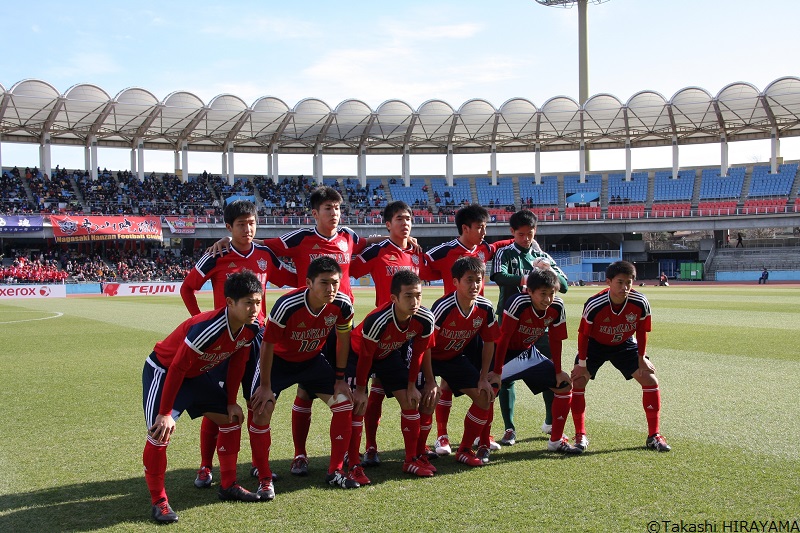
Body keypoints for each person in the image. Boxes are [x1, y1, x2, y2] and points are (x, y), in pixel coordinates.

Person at [180, 200, 296, 488]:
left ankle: (259, 466)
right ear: (229, 227)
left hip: (257, 340)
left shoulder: (265, 255)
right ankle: (206, 467)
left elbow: (291, 277)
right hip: (224, 342)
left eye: (252, 223)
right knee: (218, 406)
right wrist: (202, 321)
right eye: (241, 224)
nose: (248, 229)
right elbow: (187, 287)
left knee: (258, 403)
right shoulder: (215, 256)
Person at [142, 271, 264, 524]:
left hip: (197, 375)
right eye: (248, 303)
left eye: (258, 302)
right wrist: (165, 413)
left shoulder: (252, 328)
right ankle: (159, 501)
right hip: (164, 371)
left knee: (231, 419)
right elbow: (176, 367)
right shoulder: (207, 328)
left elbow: (238, 363)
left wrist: (231, 401)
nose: (255, 309)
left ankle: (228, 484)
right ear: (230, 303)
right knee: (158, 433)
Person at [248, 257, 359, 498]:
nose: (330, 289)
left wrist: (340, 378)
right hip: (279, 362)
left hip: (311, 360)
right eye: (324, 283)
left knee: (343, 402)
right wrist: (265, 386)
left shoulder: (342, 305)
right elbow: (266, 345)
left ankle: (335, 471)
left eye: (335, 283)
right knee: (261, 408)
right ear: (309, 282)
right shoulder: (288, 304)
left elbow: (343, 341)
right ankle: (264, 477)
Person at [349, 201, 434, 466]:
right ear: (388, 224)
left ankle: (416, 450)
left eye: (408, 218)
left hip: (407, 335)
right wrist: (367, 241)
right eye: (399, 219)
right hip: (378, 331)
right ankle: (370, 447)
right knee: (373, 391)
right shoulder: (379, 251)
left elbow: (439, 270)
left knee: (409, 391)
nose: (405, 223)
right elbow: (348, 268)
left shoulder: (418, 254)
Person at [424, 203, 513, 455]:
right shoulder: (444, 251)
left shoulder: (484, 249)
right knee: (447, 384)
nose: (484, 233)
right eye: (480, 227)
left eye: (486, 227)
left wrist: (520, 240)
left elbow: (497, 246)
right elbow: (423, 263)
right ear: (465, 228)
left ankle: (483, 437)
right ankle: (441, 436)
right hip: (450, 321)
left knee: (486, 383)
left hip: (477, 323)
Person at [570, 261, 671, 453]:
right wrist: (582, 364)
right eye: (620, 282)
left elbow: (642, 331)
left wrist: (642, 357)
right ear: (609, 282)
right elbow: (583, 334)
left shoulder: (640, 302)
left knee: (649, 379)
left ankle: (654, 436)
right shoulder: (594, 304)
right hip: (595, 346)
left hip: (624, 344)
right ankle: (580, 435)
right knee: (579, 381)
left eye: (629, 282)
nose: (625, 287)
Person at [350, 270, 440, 480]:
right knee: (356, 405)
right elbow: (365, 357)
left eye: (418, 295)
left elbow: (418, 353)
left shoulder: (425, 318)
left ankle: (411, 460)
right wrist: (361, 390)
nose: (414, 301)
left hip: (387, 354)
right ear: (394, 298)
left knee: (410, 401)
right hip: (358, 356)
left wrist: (412, 385)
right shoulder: (378, 320)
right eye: (408, 296)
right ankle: (355, 457)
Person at [490, 209, 568, 446]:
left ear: (536, 231)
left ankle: (549, 421)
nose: (526, 238)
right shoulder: (505, 252)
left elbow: (563, 286)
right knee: (504, 377)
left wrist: (549, 269)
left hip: (539, 325)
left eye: (530, 233)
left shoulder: (543, 255)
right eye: (521, 234)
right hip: (509, 320)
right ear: (512, 232)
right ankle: (509, 428)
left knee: (549, 371)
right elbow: (498, 276)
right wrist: (531, 276)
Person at [491, 269, 581, 454]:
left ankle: (556, 440)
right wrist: (497, 371)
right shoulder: (518, 302)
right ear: (529, 291)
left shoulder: (557, 306)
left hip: (528, 353)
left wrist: (558, 370)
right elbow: (503, 339)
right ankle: (482, 439)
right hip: (503, 353)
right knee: (488, 389)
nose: (548, 299)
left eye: (551, 293)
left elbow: (555, 340)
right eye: (543, 294)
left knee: (563, 385)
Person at [429, 257, 501, 466]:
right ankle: (418, 450)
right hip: (429, 358)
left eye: (478, 280)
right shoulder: (443, 307)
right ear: (455, 282)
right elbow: (424, 346)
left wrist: (483, 377)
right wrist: (429, 379)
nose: (474, 285)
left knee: (484, 397)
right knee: (424, 398)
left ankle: (465, 449)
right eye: (469, 280)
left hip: (453, 358)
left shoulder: (485, 308)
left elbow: (489, 343)